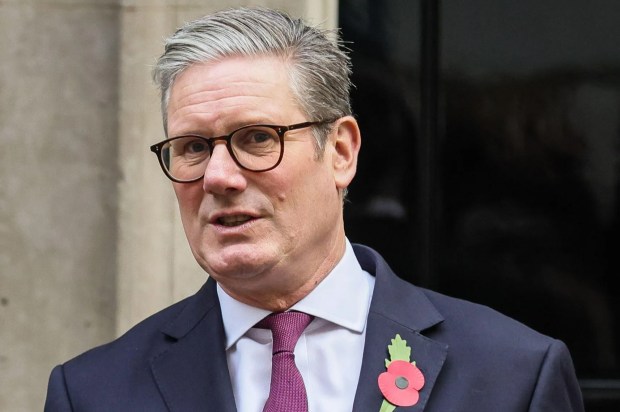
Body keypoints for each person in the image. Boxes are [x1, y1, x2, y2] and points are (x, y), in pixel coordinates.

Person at [44, 7, 584, 412]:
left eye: (257, 138)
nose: (218, 177)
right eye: (192, 147)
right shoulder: (94, 392)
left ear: (342, 152)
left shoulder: (512, 373)